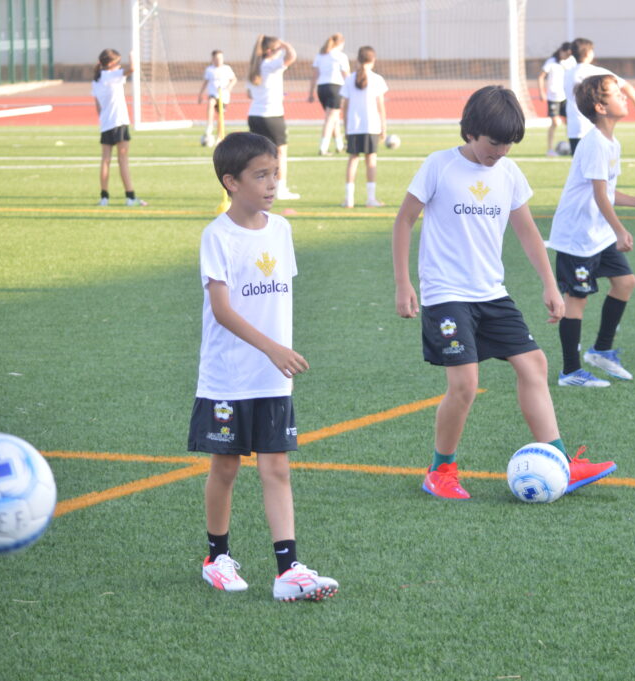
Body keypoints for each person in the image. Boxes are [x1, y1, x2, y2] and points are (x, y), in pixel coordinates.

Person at [391, 85, 617, 500]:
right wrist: (404, 283)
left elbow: (528, 232)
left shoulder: (509, 173)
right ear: (471, 131)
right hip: (446, 294)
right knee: (465, 384)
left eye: (509, 144)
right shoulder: (439, 166)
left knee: (534, 364)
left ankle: (562, 461)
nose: (501, 151)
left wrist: (550, 285)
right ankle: (440, 470)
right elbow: (404, 220)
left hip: (491, 293)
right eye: (494, 143)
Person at [190, 131, 339, 601]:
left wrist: (277, 355)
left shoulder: (281, 229)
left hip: (273, 379)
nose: (272, 183)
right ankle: (217, 557)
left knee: (276, 468)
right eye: (261, 175)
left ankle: (288, 569)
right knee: (227, 466)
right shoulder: (217, 236)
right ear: (231, 182)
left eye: (275, 173)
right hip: (228, 377)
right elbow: (223, 310)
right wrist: (272, 348)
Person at [547, 75, 635, 387]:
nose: (625, 96)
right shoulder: (595, 142)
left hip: (597, 234)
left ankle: (601, 351)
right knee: (577, 300)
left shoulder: (612, 142)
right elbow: (599, 196)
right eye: (616, 94)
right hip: (577, 237)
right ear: (600, 106)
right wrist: (621, 230)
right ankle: (570, 372)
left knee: (625, 282)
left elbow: (607, 191)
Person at [563, 37, 635, 154]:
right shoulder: (595, 71)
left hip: (574, 127)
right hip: (592, 126)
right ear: (588, 53)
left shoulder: (567, 73)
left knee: (581, 166)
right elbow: (625, 85)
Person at [91, 49, 147, 207]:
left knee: (105, 160)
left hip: (106, 124)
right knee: (123, 160)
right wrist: (133, 55)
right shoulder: (111, 75)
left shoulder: (96, 80)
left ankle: (104, 197)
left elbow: (98, 106)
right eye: (118, 63)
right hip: (119, 121)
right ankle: (130, 197)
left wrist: (103, 121)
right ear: (110, 64)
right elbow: (133, 69)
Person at [247, 34, 299, 200]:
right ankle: (280, 190)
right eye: (277, 50)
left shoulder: (255, 66)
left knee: (259, 156)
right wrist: (284, 44)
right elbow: (292, 56)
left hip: (255, 115)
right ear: (269, 51)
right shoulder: (270, 65)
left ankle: (255, 188)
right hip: (272, 116)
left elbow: (249, 93)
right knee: (280, 154)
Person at [341, 46, 388, 208]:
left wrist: (346, 127)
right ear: (373, 60)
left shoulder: (349, 79)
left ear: (358, 60)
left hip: (354, 126)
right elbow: (380, 106)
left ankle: (349, 199)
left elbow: (345, 107)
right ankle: (370, 198)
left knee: (353, 159)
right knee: (371, 160)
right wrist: (384, 126)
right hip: (371, 125)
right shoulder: (377, 79)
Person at [307, 34, 351, 155]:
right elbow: (346, 75)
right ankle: (323, 147)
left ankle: (340, 145)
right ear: (340, 43)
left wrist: (311, 92)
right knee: (330, 119)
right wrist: (351, 90)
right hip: (335, 87)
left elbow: (314, 76)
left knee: (334, 118)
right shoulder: (341, 56)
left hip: (322, 88)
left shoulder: (320, 56)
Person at [538, 41, 574, 156]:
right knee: (555, 122)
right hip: (553, 97)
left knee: (569, 122)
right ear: (561, 51)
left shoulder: (571, 61)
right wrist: (541, 92)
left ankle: (573, 147)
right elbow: (541, 76)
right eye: (566, 54)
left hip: (566, 96)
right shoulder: (551, 62)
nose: (568, 56)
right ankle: (550, 149)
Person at [197, 50, 237, 148]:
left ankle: (219, 136)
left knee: (220, 116)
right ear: (213, 59)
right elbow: (205, 82)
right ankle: (209, 126)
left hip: (223, 96)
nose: (219, 60)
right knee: (210, 103)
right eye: (217, 58)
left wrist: (228, 88)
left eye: (220, 58)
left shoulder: (227, 69)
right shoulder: (209, 69)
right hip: (213, 94)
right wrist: (200, 94)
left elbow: (234, 79)